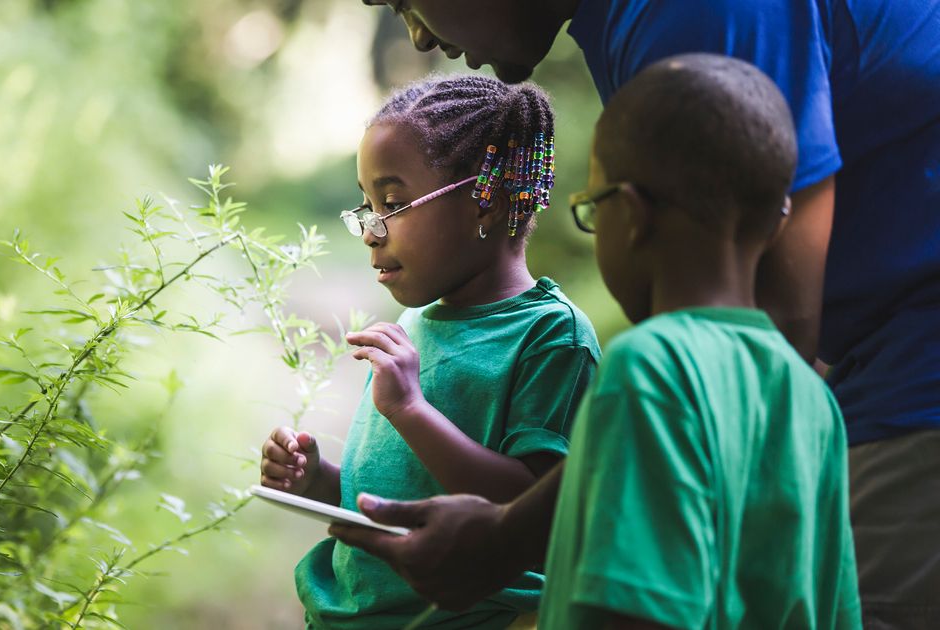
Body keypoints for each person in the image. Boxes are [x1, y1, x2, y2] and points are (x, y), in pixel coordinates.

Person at [355, 2, 940, 626]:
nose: (416, 33)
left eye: (407, 2)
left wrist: (506, 536)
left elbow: (631, 602)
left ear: (628, 218)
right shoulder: (814, 397)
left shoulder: (651, 368)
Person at [258, 74, 600, 629]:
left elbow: (536, 510)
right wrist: (318, 480)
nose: (370, 231)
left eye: (391, 203)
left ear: (484, 203)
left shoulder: (552, 337)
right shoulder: (415, 320)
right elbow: (401, 486)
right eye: (366, 206)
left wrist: (411, 410)